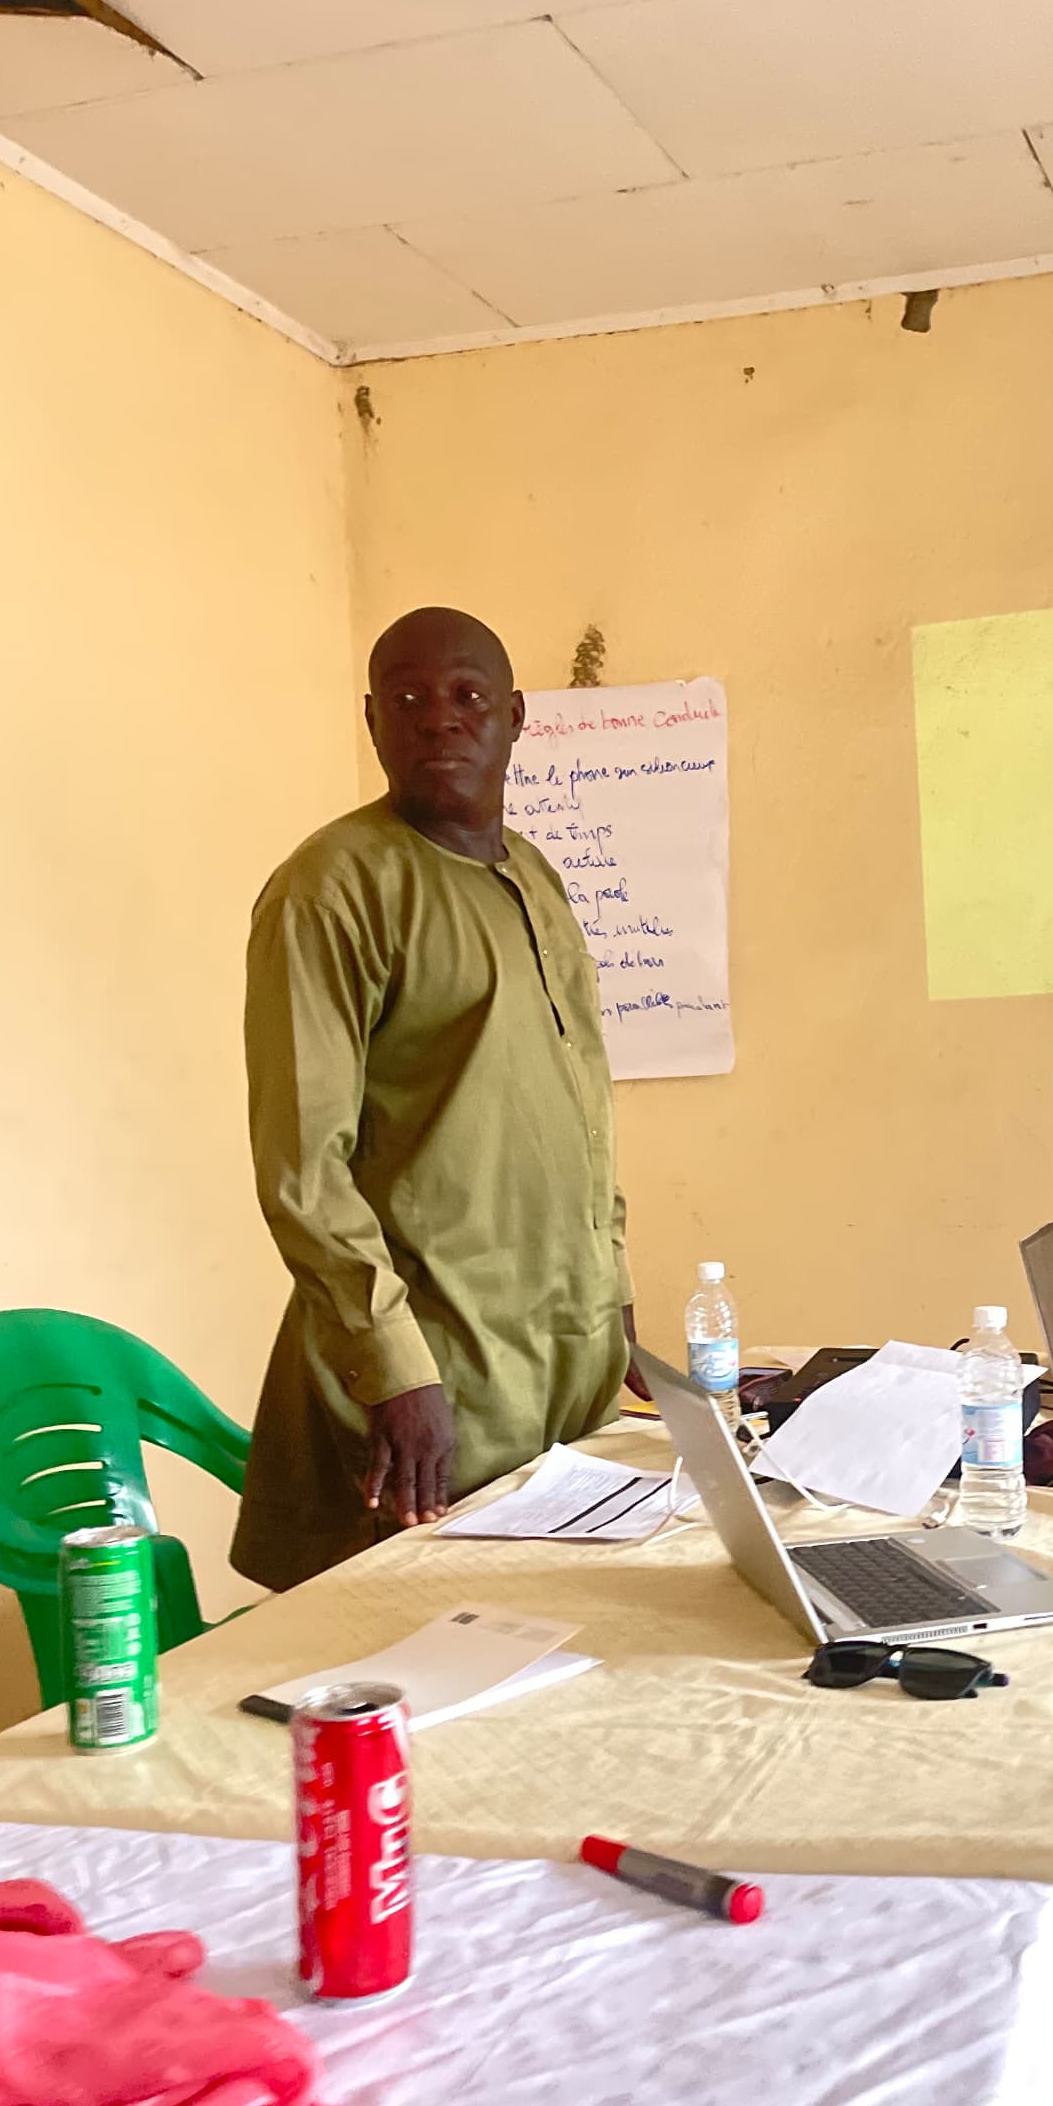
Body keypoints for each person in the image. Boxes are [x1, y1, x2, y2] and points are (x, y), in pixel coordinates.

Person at [232, 606, 638, 1592]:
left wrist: (614, 1301)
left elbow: (581, 1110)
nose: (439, 720)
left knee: (569, 1650)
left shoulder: (537, 879)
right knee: (426, 1672)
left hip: (561, 1357)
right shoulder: (333, 889)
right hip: (432, 1379)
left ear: (515, 718)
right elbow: (302, 1167)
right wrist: (396, 1366)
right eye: (408, 700)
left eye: (467, 697)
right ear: (373, 723)